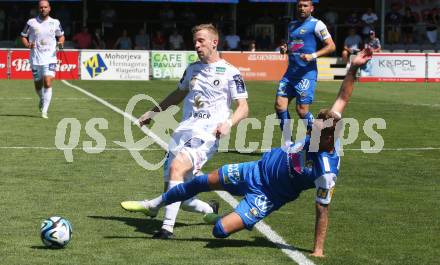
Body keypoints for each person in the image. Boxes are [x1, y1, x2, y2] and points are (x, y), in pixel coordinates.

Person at [123, 49, 373, 257]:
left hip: (268, 197)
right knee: (201, 181)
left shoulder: (327, 171)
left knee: (219, 232)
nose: (311, 134)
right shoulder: (326, 125)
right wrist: (354, 67)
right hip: (255, 169)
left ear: (331, 137)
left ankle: (215, 214)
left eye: (317, 133)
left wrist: (318, 250)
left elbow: (322, 210)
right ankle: (155, 203)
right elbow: (343, 96)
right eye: (313, 129)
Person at [121, 24, 249, 239]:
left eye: (201, 41)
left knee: (177, 167)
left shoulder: (230, 72)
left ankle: (165, 228)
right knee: (176, 191)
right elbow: (178, 94)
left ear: (214, 42)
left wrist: (229, 122)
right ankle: (209, 209)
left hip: (207, 134)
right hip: (183, 131)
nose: (196, 45)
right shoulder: (192, 69)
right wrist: (153, 113)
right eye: (195, 42)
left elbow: (244, 107)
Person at [276, 0, 335, 146]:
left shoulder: (317, 24)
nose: (302, 8)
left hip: (306, 75)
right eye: (299, 6)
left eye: (305, 6)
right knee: (279, 106)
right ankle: (288, 143)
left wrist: (313, 55)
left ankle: (320, 136)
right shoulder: (291, 25)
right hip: (290, 74)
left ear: (312, 8)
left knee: (302, 111)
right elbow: (293, 46)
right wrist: (285, 49)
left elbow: (331, 46)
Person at [21, 0, 64, 119]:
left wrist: (60, 43)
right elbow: (23, 36)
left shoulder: (55, 22)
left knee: (48, 82)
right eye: (41, 7)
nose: (43, 9)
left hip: (50, 58)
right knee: (38, 85)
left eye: (45, 7)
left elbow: (61, 36)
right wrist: (28, 44)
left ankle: (44, 111)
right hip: (35, 58)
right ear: (38, 9)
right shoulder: (31, 22)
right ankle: (42, 99)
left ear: (49, 8)